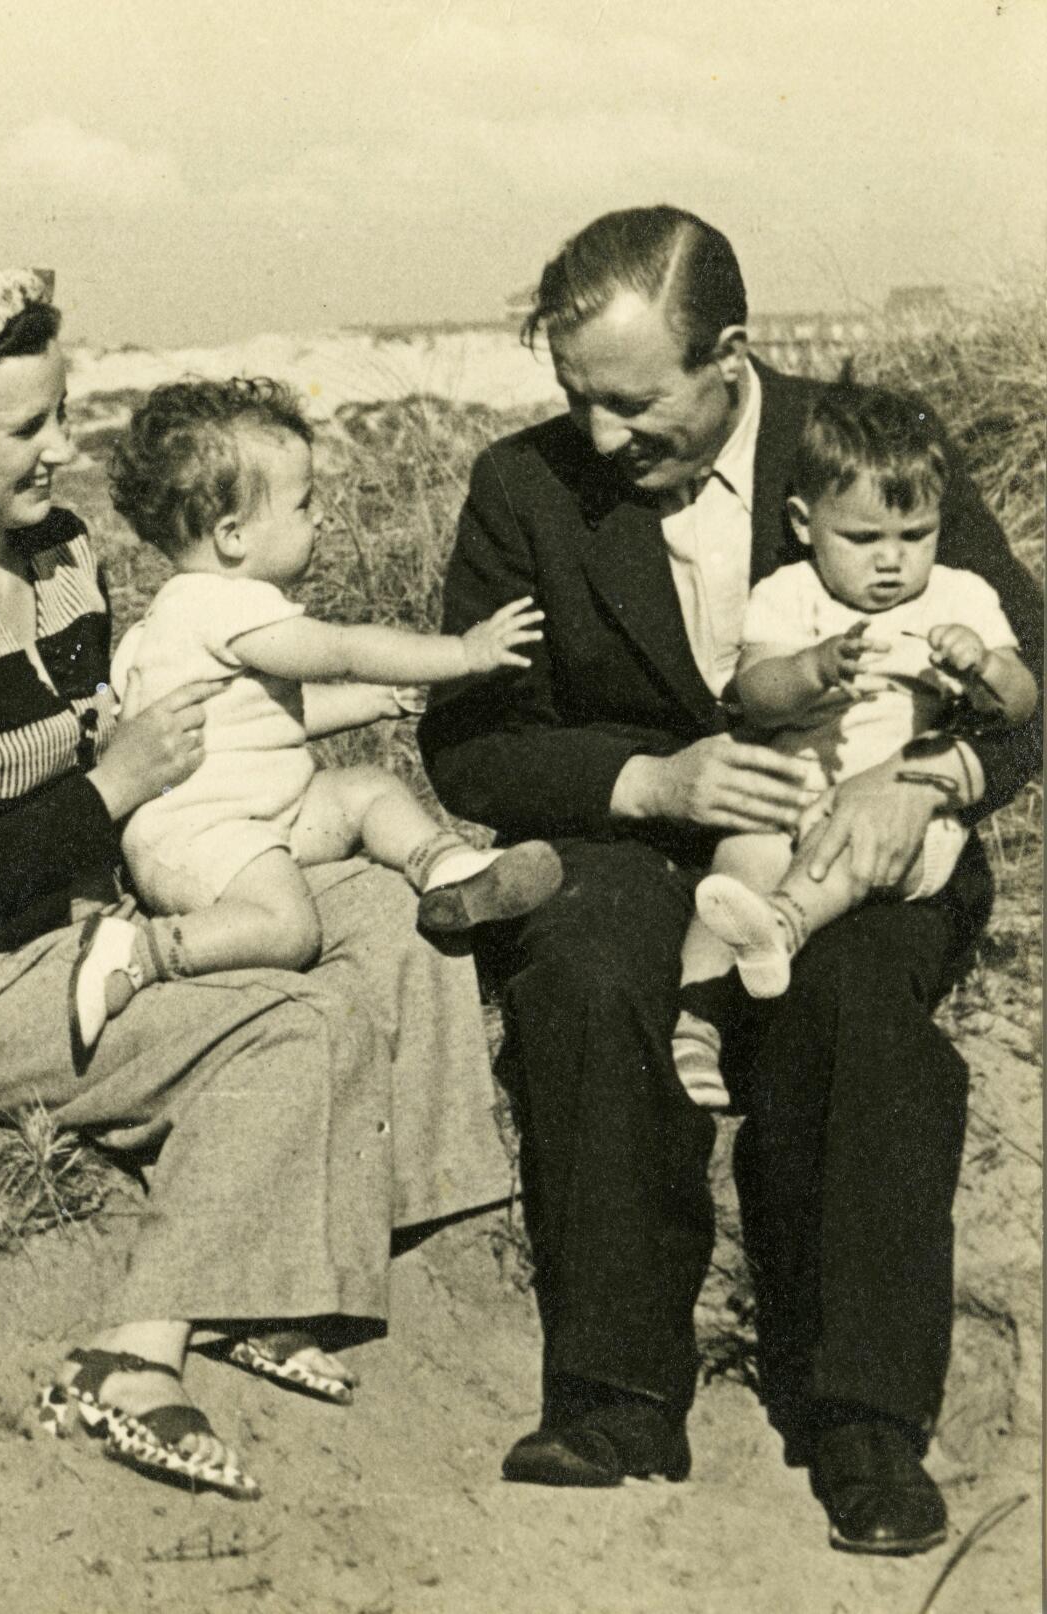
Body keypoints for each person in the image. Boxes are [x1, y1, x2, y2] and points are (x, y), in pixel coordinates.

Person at [418, 206, 1042, 1553]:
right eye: (576, 399)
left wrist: (926, 779)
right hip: (638, 846)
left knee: (862, 1001)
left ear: (734, 356)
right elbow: (466, 743)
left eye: (636, 406)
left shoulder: (867, 446)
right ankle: (614, 1391)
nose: (598, 438)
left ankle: (864, 1418)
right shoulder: (521, 488)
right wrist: (649, 785)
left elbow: (1026, 680)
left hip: (855, 836)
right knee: (583, 972)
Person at [0, 269, 511, 1501]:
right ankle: (128, 1356)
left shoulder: (62, 556)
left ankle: (343, 1254)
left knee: (393, 914)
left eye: (64, 413)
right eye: (29, 428)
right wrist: (104, 794)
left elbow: (185, 730)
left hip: (87, 915)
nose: (63, 450)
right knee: (290, 1017)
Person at [69, 377, 561, 1064]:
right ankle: (140, 952)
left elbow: (276, 718)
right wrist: (461, 654)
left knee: (366, 789)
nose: (321, 517)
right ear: (233, 536)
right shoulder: (222, 604)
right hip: (199, 838)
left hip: (255, 817)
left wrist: (382, 702)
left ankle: (448, 871)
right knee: (289, 926)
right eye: (303, 504)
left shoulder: (176, 620)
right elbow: (342, 651)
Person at [672, 383, 1038, 1108]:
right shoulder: (790, 594)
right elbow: (755, 692)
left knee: (845, 852)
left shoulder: (961, 597)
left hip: (901, 820)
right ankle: (697, 1025)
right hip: (790, 798)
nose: (892, 563)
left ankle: (785, 924)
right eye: (864, 540)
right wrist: (812, 668)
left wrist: (984, 667)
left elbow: (1022, 703)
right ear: (806, 524)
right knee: (736, 866)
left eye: (916, 535)